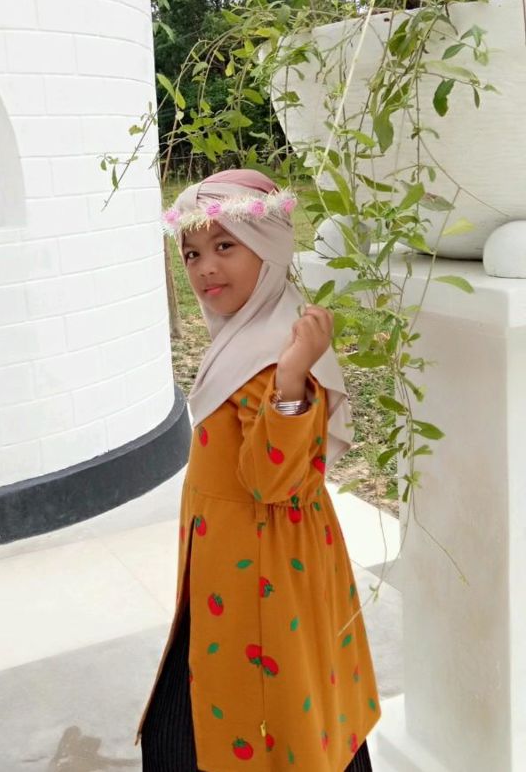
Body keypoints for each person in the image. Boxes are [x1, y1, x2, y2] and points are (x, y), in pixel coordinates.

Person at [135, 169, 381, 771]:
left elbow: (272, 480)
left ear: (267, 248)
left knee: (254, 716)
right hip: (236, 562)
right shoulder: (247, 336)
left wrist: (293, 375)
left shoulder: (276, 352)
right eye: (193, 253)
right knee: (284, 701)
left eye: (225, 245)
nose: (205, 268)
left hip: (262, 567)